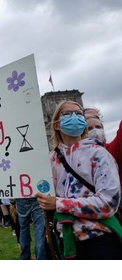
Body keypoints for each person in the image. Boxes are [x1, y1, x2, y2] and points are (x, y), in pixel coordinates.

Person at [36, 100, 122, 259]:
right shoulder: (51, 160)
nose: (74, 118)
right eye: (67, 114)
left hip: (99, 238)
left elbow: (108, 203)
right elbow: (43, 193)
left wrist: (59, 203)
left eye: (79, 114)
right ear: (56, 125)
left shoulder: (99, 154)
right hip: (68, 239)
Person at [85, 107, 122, 186]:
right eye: (89, 128)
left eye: (96, 117)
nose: (95, 130)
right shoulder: (72, 158)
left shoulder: (112, 149)